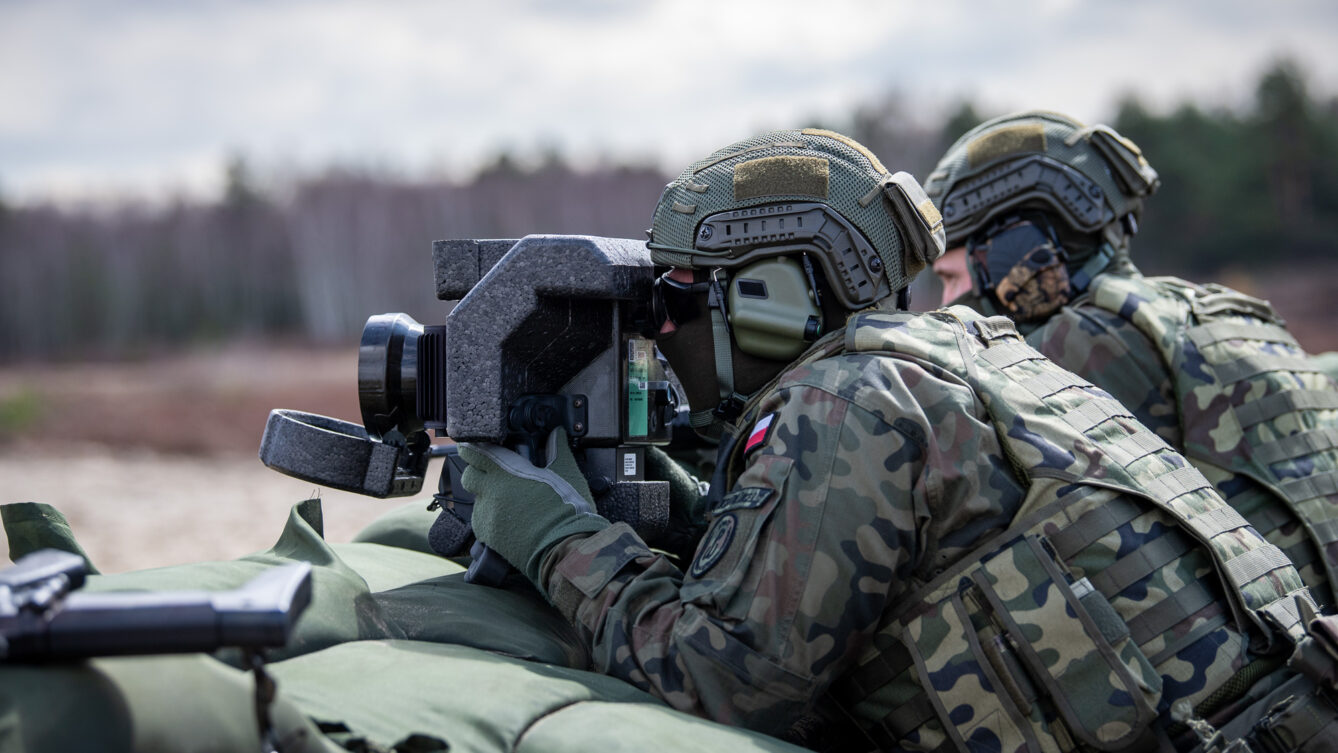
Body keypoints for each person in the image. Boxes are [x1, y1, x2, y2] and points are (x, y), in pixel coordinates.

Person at [460, 129, 1327, 751]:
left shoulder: (846, 400)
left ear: (767, 299)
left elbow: (719, 680)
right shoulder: (962, 350)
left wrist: (554, 533)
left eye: (682, 297)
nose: (665, 325)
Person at [924, 110, 1338, 609]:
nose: (945, 303)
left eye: (950, 277)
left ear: (1016, 251)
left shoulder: (1078, 342)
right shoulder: (1202, 306)